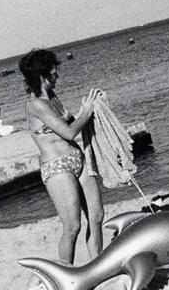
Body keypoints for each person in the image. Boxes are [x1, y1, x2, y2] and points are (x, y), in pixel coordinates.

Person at [19, 48, 105, 264]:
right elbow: (68, 132)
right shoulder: (35, 105)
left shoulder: (53, 98)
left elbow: (70, 123)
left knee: (96, 216)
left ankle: (98, 265)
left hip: (77, 159)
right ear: (43, 75)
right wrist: (86, 111)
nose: (57, 73)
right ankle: (66, 274)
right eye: (54, 70)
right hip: (57, 167)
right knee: (73, 226)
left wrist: (89, 110)